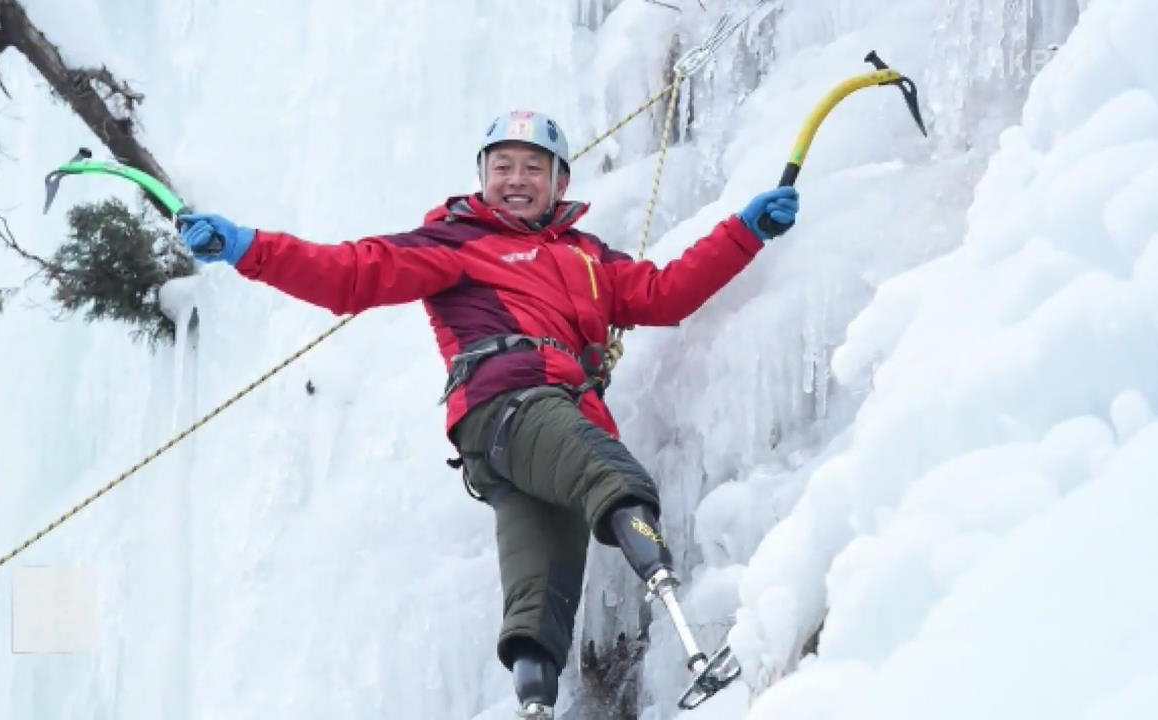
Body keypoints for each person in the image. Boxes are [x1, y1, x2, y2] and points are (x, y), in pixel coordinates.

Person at [178, 109, 798, 719]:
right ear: (482, 176)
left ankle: (534, 705)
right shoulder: (455, 242)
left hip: (532, 436)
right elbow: (352, 273)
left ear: (560, 183)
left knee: (540, 596)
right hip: (507, 405)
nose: (517, 179)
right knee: (613, 477)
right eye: (502, 166)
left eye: (534, 167)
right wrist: (246, 247)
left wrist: (744, 232)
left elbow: (665, 294)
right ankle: (690, 636)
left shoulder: (589, 259)